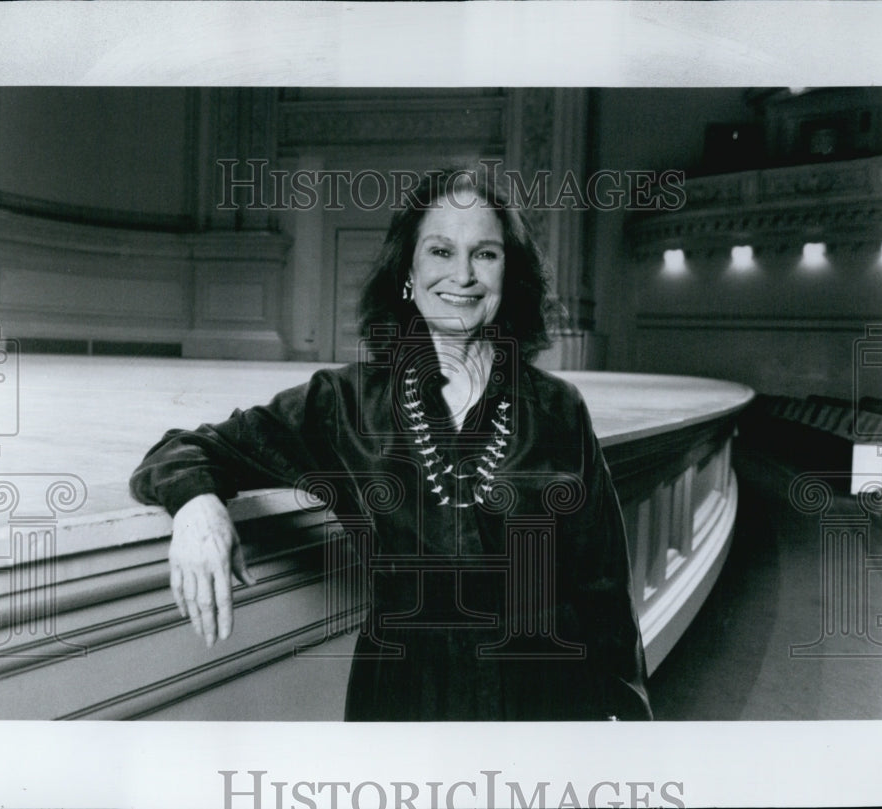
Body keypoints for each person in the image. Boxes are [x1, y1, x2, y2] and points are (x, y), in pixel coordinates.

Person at [129, 167, 652, 721]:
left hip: (542, 701)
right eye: (441, 251)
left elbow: (604, 589)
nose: (463, 275)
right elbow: (184, 449)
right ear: (408, 270)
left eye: (486, 254)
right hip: (406, 700)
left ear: (509, 273)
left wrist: (621, 722)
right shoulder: (347, 403)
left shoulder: (558, 409)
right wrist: (195, 505)